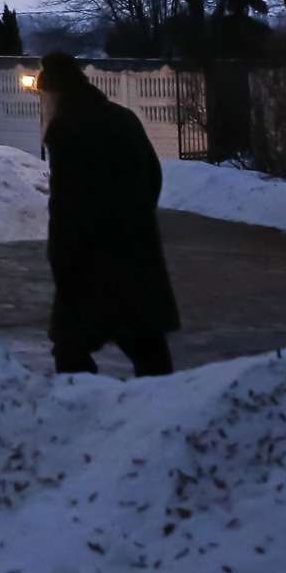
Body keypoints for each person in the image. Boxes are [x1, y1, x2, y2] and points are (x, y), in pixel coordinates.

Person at [37, 51, 179, 376]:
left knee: (70, 348)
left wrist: (61, 259)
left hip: (89, 262)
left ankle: (86, 413)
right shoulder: (122, 117)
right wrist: (137, 216)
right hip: (137, 252)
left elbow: (66, 207)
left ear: (56, 93)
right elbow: (153, 175)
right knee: (147, 346)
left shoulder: (66, 130)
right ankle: (166, 411)